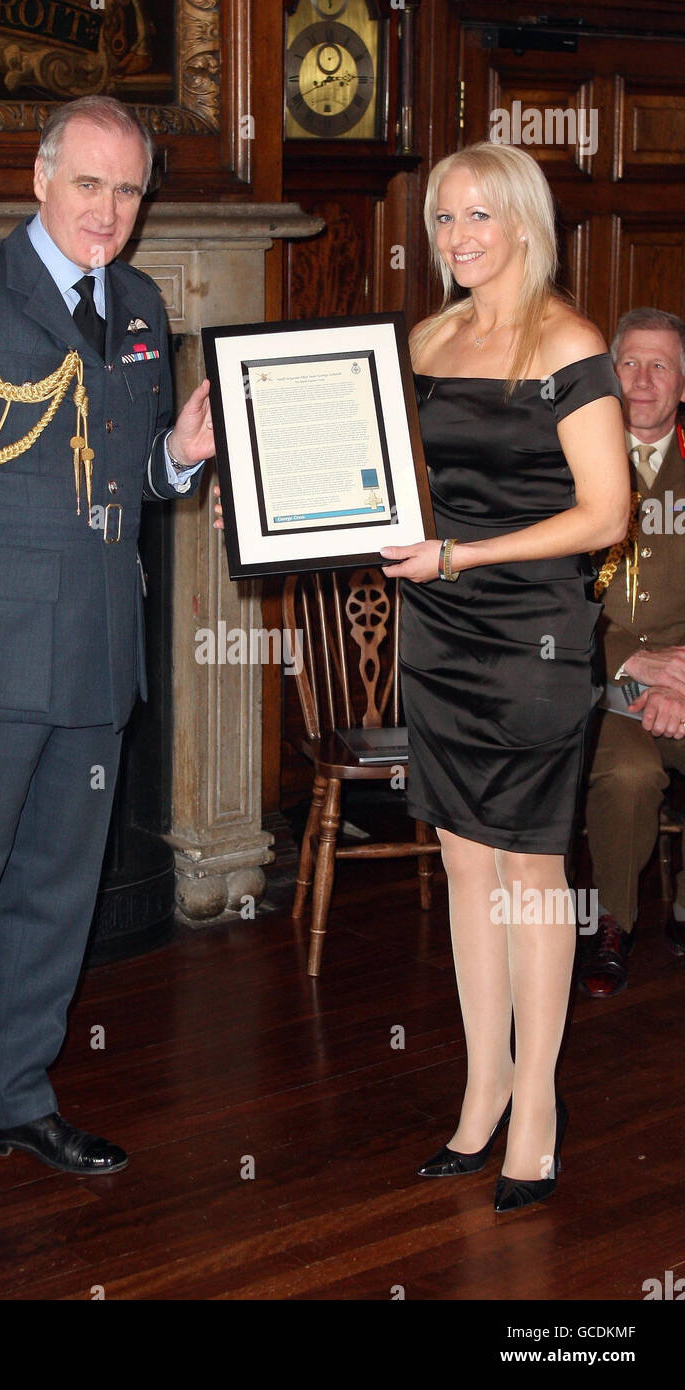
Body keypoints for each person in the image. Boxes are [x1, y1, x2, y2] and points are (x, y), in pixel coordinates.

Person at [0, 95, 214, 1242]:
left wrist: (182, 452)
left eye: (128, 190)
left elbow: (128, 482)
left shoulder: (143, 307)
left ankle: (14, 1098)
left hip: (96, 657)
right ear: (39, 178)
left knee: (54, 900)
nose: (108, 210)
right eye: (88, 184)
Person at [380, 141, 630, 1212]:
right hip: (434, 630)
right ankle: (481, 1093)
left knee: (528, 875)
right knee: (465, 870)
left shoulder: (568, 343)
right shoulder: (426, 336)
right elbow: (389, 478)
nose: (457, 237)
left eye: (478, 216)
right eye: (442, 219)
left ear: (522, 222)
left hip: (531, 633)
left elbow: (606, 514)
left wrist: (464, 556)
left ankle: (537, 1106)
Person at [578, 308, 685, 998]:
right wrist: (629, 663)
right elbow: (546, 597)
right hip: (599, 684)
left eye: (661, 366)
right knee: (628, 777)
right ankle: (612, 921)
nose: (642, 381)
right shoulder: (569, 464)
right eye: (629, 364)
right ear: (610, 375)